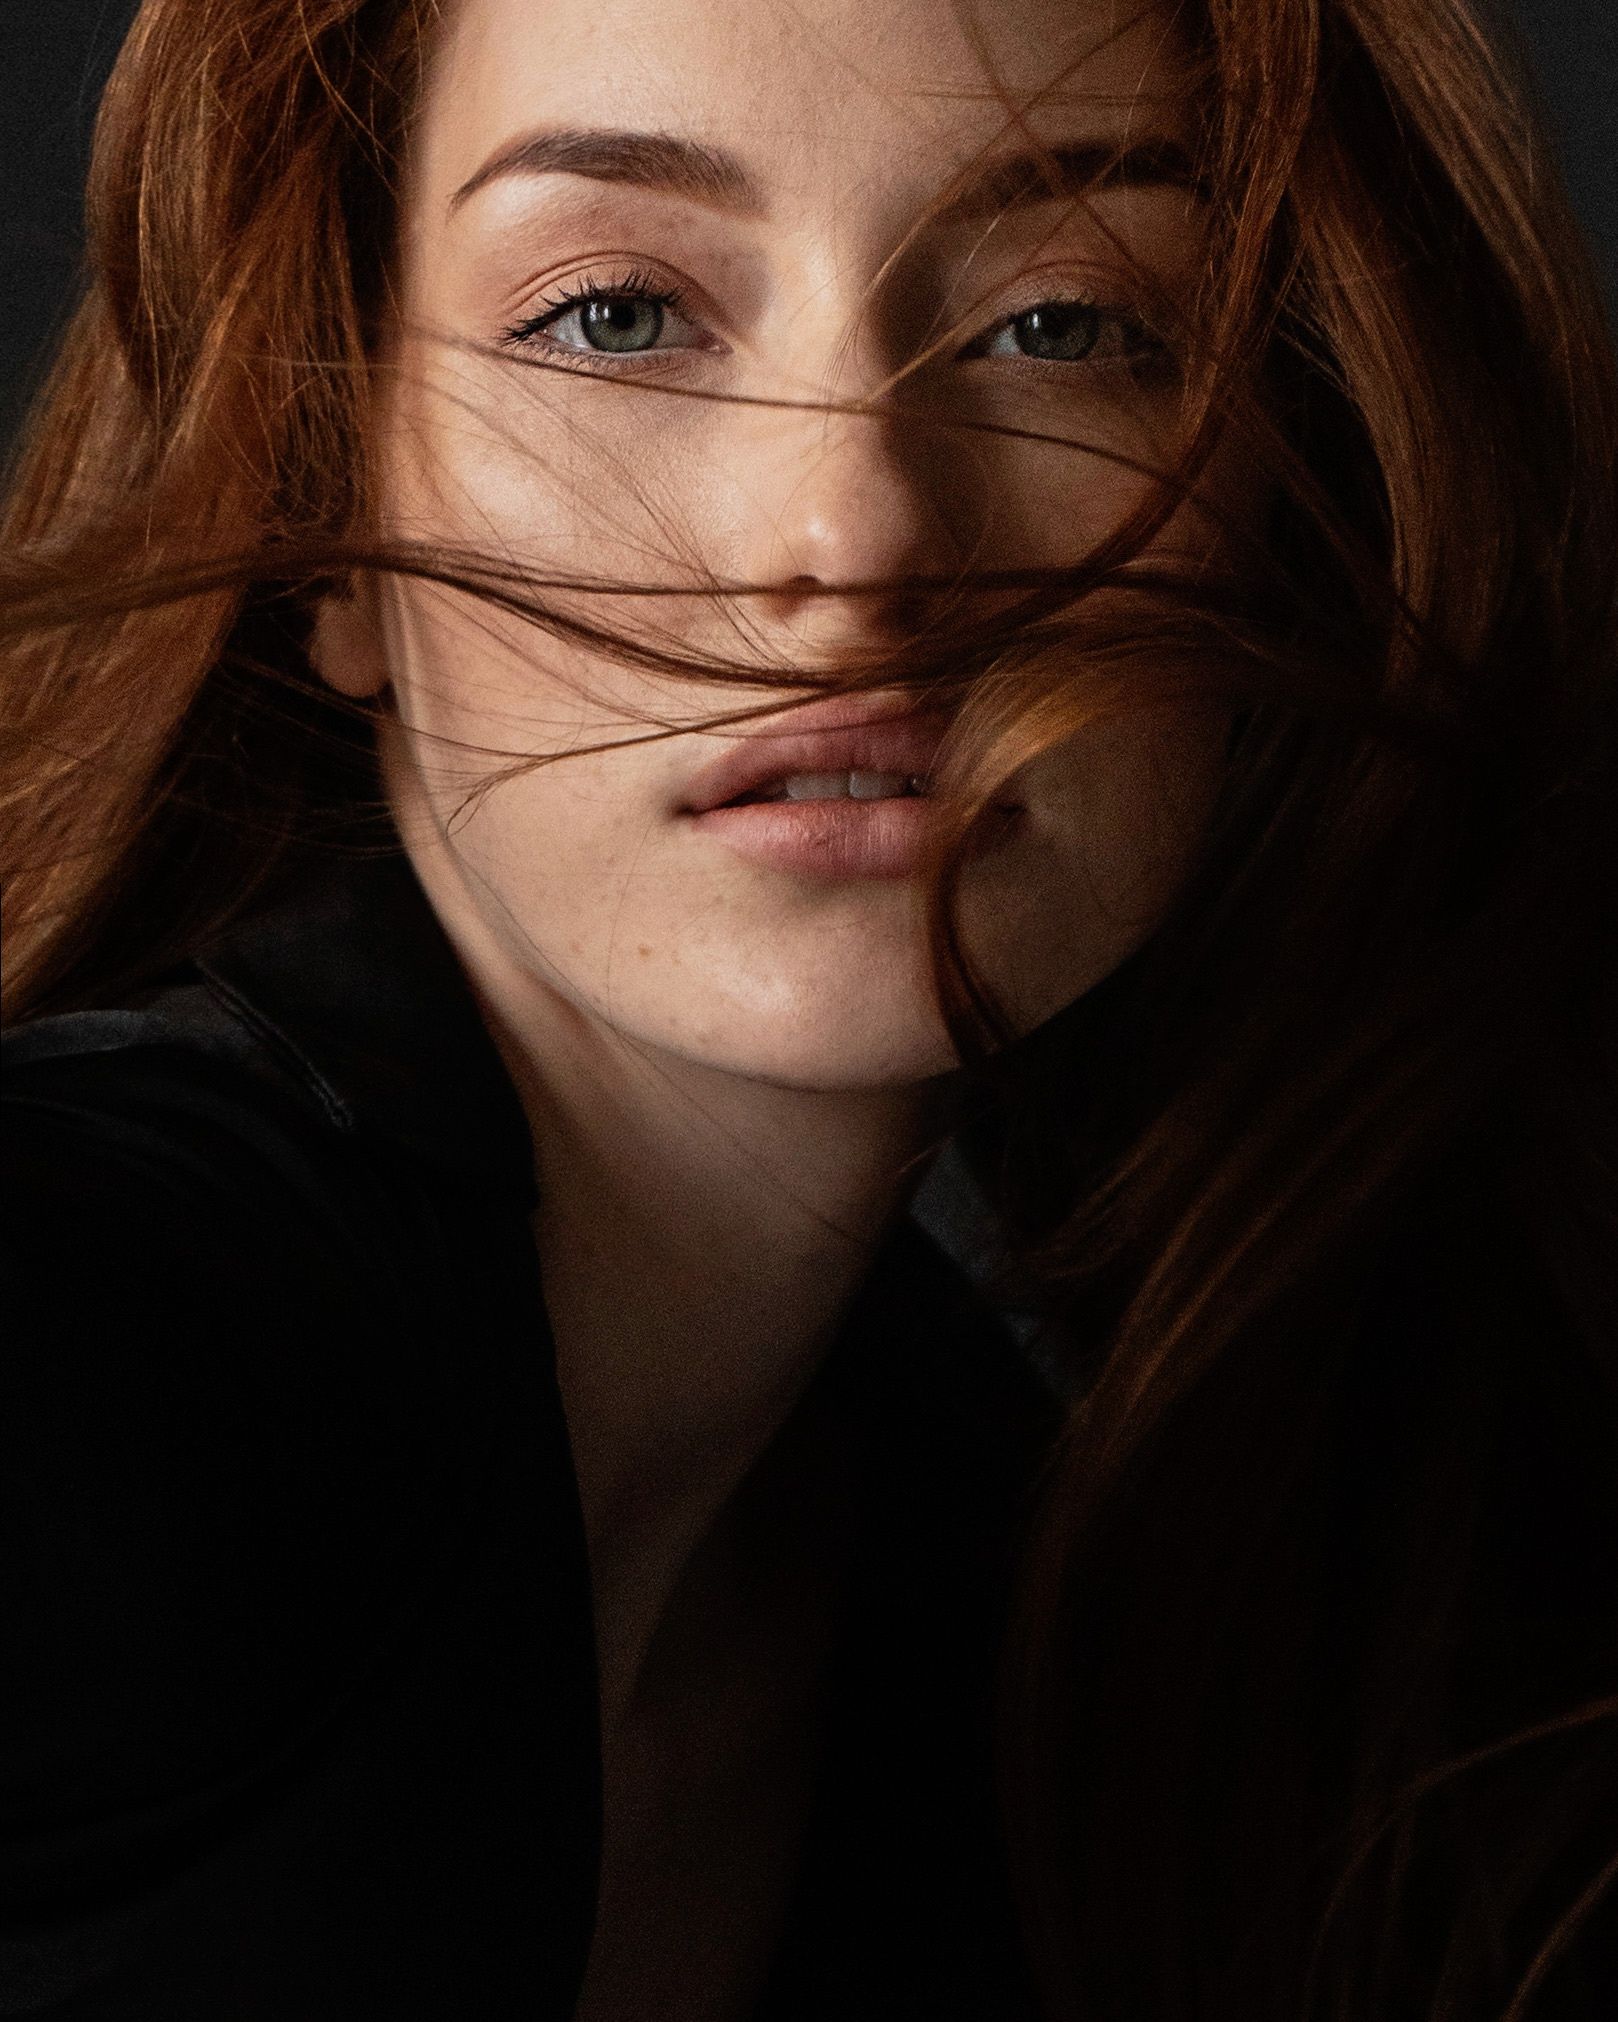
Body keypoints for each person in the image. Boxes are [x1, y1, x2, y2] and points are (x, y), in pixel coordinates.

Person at [0, 0, 1613, 2017]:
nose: (852, 541)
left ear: (1296, 507)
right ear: (330, 525)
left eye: (1061, 324)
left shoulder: (1067, 1600)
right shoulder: (93, 1334)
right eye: (613, 317)